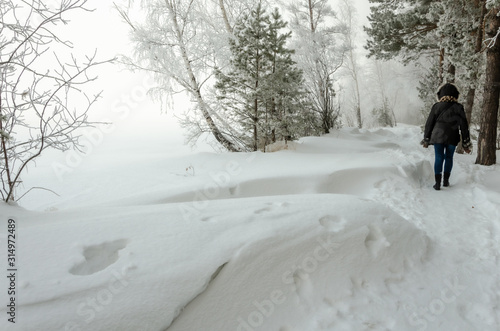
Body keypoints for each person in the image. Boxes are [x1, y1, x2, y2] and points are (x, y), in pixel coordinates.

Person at [421, 83, 472, 190]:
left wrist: (426, 139)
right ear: (456, 95)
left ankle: (437, 183)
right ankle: (446, 181)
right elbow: (464, 127)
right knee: (449, 157)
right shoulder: (459, 107)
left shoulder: (436, 106)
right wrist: (466, 144)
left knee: (439, 157)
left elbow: (429, 124)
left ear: (440, 95)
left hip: (438, 136)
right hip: (452, 137)